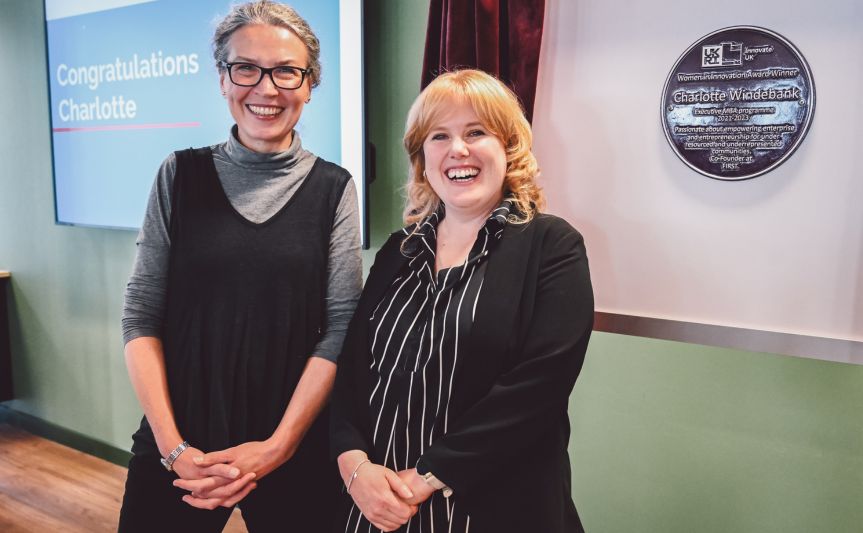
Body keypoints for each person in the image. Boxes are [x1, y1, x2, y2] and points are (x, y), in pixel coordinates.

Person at [118, 1, 362, 531]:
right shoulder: (179, 175)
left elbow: (341, 327)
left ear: (311, 83)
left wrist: (278, 447)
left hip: (292, 440)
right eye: (245, 68)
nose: (266, 89)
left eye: (286, 71)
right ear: (223, 79)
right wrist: (173, 449)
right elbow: (140, 315)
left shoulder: (335, 189)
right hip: (179, 441)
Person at [330, 69, 594, 533]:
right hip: (378, 505)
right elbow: (352, 369)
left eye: (476, 132)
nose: (458, 150)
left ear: (509, 148)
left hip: (487, 509)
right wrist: (354, 467)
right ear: (422, 156)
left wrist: (429, 475)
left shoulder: (552, 246)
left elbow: (538, 388)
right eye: (439, 136)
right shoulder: (399, 250)